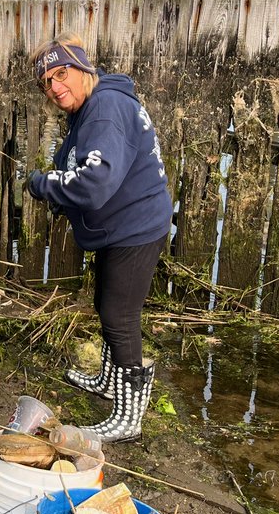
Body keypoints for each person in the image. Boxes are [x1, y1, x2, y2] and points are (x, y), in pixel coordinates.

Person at [25, 34, 172, 443]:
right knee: (106, 303)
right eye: (47, 83)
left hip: (136, 227)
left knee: (119, 315)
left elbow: (95, 181)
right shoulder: (95, 105)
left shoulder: (105, 110)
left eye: (61, 74)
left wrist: (45, 184)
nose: (55, 88)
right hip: (121, 225)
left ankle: (129, 417)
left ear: (84, 68)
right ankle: (112, 382)